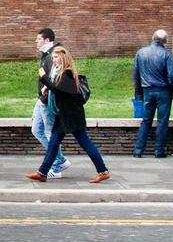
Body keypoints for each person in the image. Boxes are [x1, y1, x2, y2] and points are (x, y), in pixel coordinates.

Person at [26, 46, 110, 184]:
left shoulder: (68, 73)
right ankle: (42, 173)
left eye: (56, 57)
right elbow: (56, 88)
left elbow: (58, 89)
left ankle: (103, 171)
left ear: (63, 58)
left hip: (72, 116)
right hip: (63, 114)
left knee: (85, 143)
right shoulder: (58, 73)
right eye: (53, 57)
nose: (54, 60)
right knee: (53, 144)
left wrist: (43, 78)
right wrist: (48, 85)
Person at [132, 29, 173, 158]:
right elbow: (172, 76)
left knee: (146, 120)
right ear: (165, 41)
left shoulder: (141, 53)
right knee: (162, 121)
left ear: (153, 38)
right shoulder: (166, 55)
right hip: (163, 91)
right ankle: (159, 150)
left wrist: (138, 93)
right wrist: (172, 89)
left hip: (147, 91)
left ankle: (138, 150)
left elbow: (136, 75)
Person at [31, 28, 69, 177]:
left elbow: (55, 78)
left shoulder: (53, 55)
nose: (36, 41)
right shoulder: (46, 55)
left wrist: (46, 97)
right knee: (36, 130)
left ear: (47, 40)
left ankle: (57, 165)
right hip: (41, 99)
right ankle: (60, 159)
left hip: (47, 100)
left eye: (38, 39)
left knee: (48, 132)